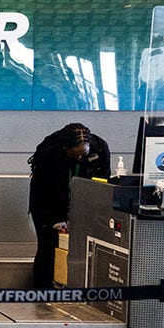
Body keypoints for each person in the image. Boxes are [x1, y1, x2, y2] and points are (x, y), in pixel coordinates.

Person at [27, 122, 111, 288]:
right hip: (48, 206)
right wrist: (55, 220)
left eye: (83, 154)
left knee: (82, 248)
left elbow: (102, 183)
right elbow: (43, 191)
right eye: (75, 155)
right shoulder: (49, 154)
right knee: (48, 247)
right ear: (65, 148)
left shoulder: (99, 149)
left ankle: (74, 287)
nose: (79, 158)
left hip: (85, 204)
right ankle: (42, 290)